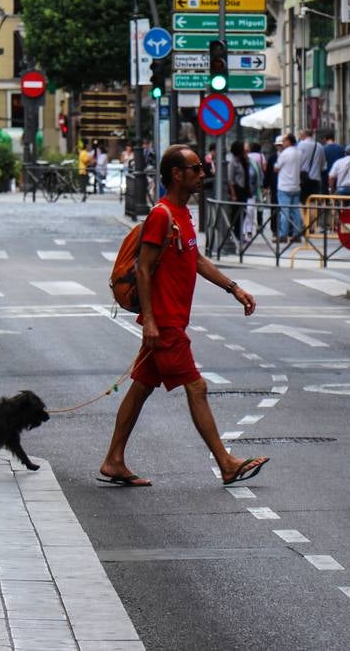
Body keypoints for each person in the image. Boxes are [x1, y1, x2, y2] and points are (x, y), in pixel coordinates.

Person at [98, 144, 267, 488]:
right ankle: (226, 462)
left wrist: (234, 288)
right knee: (197, 386)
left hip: (168, 320)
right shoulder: (162, 215)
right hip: (164, 323)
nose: (202, 174)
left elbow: (197, 259)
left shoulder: (182, 214)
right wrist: (149, 320)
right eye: (196, 169)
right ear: (177, 174)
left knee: (141, 388)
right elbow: (143, 270)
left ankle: (114, 459)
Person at [274, 133, 302, 243]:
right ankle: (297, 234)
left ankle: (283, 235)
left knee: (284, 212)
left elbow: (276, 168)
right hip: (296, 185)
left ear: (289, 141)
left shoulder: (284, 154)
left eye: (284, 140)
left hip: (284, 186)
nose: (282, 143)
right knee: (295, 211)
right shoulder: (299, 152)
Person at [297, 128, 326, 201]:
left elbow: (296, 161)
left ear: (304, 135)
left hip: (303, 179)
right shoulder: (319, 146)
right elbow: (323, 165)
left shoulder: (301, 145)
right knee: (314, 203)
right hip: (316, 179)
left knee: (303, 201)